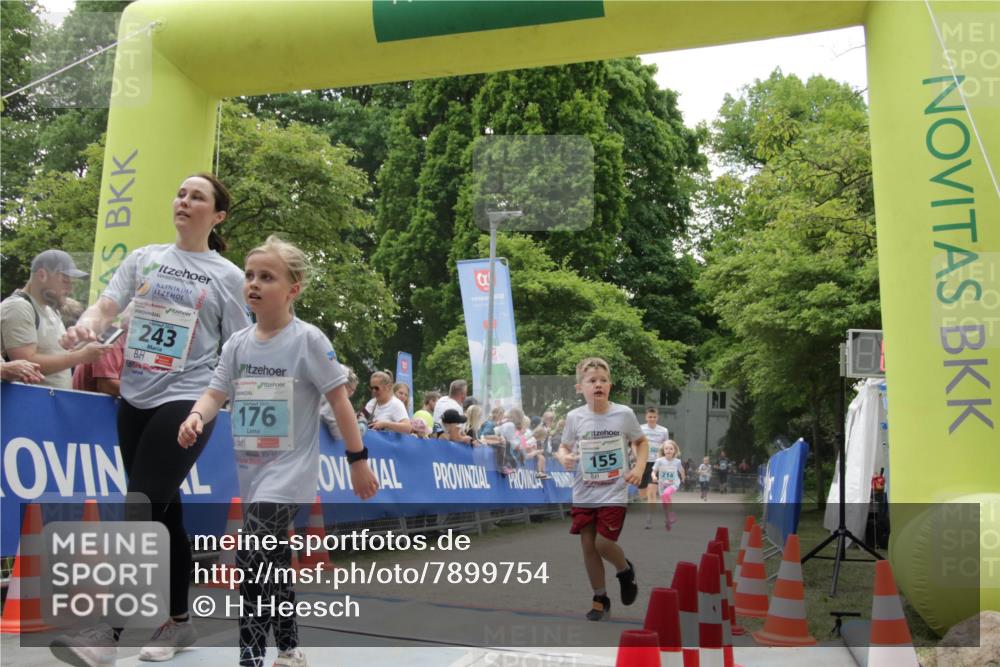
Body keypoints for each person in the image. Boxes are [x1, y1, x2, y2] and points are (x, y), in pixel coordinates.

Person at [51, 173, 251, 667]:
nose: (184, 201)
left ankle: (108, 631)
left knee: (140, 503)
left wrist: (225, 405)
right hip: (135, 398)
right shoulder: (145, 258)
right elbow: (106, 306)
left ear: (217, 215)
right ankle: (179, 625)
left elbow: (240, 349)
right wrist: (88, 325)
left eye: (197, 196)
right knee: (165, 512)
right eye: (180, 193)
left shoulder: (226, 275)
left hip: (188, 400)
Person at [178, 235, 378, 667]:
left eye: (266, 277)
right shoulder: (236, 344)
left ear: (294, 288)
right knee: (274, 561)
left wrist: (357, 460)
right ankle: (289, 649)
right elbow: (215, 393)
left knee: (251, 554)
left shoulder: (307, 340)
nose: (253, 284)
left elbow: (340, 400)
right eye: (249, 275)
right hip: (253, 472)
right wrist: (197, 415)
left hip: (290, 476)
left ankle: (250, 656)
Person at [556, 357, 646, 622]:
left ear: (610, 385)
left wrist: (639, 469)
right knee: (588, 546)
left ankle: (625, 570)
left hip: (614, 491)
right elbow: (564, 447)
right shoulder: (575, 417)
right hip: (584, 491)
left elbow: (640, 443)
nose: (598, 384)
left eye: (603, 380)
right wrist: (564, 458)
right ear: (579, 388)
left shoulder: (624, 414)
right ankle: (600, 597)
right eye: (591, 380)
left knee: (604, 543)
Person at [1, 249, 110, 389]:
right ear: (42, 275)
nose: (70, 289)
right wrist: (81, 356)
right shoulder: (18, 307)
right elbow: (26, 363)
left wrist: (85, 346)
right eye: (65, 281)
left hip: (50, 403)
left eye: (72, 283)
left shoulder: (51, 310)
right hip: (31, 403)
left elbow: (57, 355)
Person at [72, 305, 132, 397]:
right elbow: (106, 386)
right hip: (88, 405)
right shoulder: (113, 339)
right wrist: (144, 393)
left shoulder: (127, 342)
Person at [639, 407, 670, 528]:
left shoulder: (663, 431)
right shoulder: (640, 429)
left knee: (652, 492)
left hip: (656, 464)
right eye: (650, 417)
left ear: (657, 417)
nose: (652, 419)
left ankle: (649, 519)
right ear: (646, 417)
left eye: (654, 417)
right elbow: (635, 443)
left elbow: (666, 447)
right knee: (643, 494)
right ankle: (648, 505)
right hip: (643, 463)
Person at [319, 366, 360, 439]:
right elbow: (337, 434)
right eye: (353, 389)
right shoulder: (336, 400)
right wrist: (360, 426)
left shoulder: (320, 389)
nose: (351, 393)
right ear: (345, 385)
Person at [651, 440, 685, 531]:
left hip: (673, 484)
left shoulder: (677, 461)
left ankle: (671, 514)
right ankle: (668, 520)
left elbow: (682, 470)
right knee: (665, 505)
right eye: (666, 448)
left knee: (666, 494)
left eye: (671, 449)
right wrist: (654, 476)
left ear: (674, 450)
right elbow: (653, 472)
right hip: (662, 485)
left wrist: (683, 478)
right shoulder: (659, 461)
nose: (668, 450)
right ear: (663, 450)